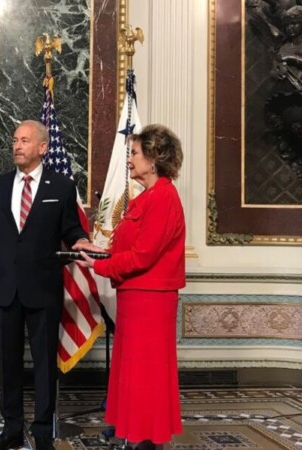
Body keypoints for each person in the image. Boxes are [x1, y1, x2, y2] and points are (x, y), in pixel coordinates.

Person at [0, 120, 101, 450]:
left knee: (44, 366)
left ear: (43, 148)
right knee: (8, 365)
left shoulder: (60, 187)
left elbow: (72, 230)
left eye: (25, 140)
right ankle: (12, 430)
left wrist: (83, 241)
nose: (17, 145)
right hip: (5, 289)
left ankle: (43, 433)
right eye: (15, 140)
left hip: (43, 289)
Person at [77, 124, 186, 449]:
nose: (129, 160)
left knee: (146, 372)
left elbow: (143, 256)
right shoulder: (148, 197)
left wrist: (100, 266)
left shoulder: (163, 197)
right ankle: (133, 429)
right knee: (134, 370)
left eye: (135, 153)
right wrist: (102, 253)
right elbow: (131, 247)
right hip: (136, 297)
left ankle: (147, 437)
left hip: (150, 300)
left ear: (154, 158)